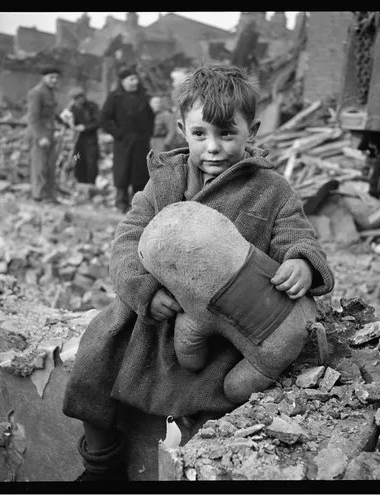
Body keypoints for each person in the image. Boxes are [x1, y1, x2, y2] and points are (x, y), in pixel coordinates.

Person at [63, 64, 335, 482]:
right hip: (154, 315)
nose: (213, 148)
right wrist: (143, 290)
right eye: (200, 134)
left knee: (214, 394)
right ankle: (100, 464)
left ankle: (193, 465)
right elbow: (127, 239)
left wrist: (299, 261)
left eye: (227, 134)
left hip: (221, 326)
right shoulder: (163, 182)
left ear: (253, 130)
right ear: (181, 129)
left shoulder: (270, 188)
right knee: (98, 355)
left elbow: (296, 233)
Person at [99, 65, 155, 213]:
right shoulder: (114, 97)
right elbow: (104, 119)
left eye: (136, 79)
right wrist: (119, 134)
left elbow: (150, 117)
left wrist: (147, 134)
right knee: (122, 172)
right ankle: (120, 203)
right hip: (123, 142)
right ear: (122, 81)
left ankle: (137, 205)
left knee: (140, 174)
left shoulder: (143, 96)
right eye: (131, 79)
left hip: (141, 142)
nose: (135, 82)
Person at [26, 65, 63, 203]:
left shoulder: (51, 92)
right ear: (44, 77)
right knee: (39, 165)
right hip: (40, 133)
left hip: (51, 132)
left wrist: (60, 123)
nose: (54, 80)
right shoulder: (36, 93)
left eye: (56, 77)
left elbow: (52, 114)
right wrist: (40, 137)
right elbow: (33, 117)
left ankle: (48, 195)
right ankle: (38, 195)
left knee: (50, 165)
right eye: (51, 77)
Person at [67, 87, 100, 185]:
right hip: (78, 142)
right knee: (78, 159)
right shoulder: (73, 108)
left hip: (90, 141)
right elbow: (68, 122)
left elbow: (98, 121)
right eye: (77, 98)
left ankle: (91, 183)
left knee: (91, 162)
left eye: (81, 97)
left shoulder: (92, 106)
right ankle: (79, 181)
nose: (80, 99)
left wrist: (85, 127)